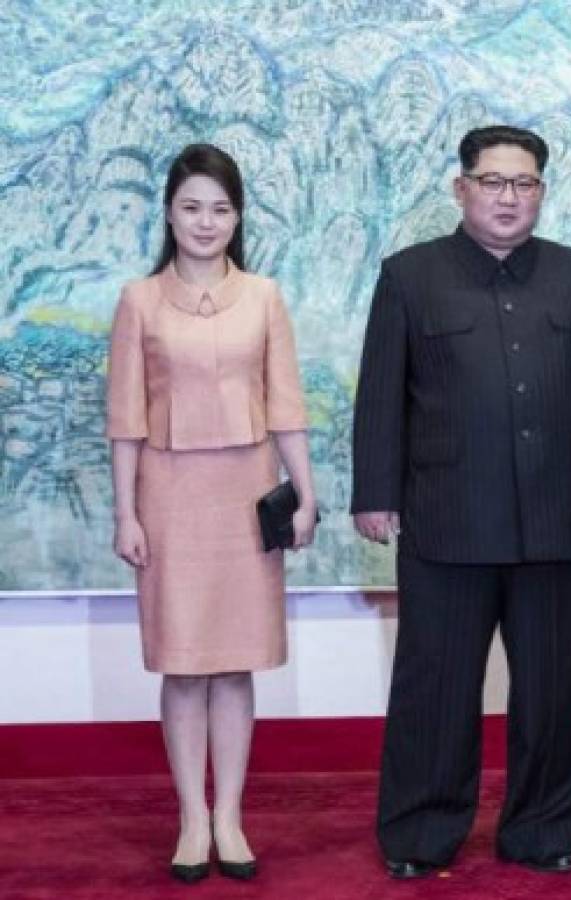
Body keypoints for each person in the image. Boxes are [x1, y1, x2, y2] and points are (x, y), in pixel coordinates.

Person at [351, 124, 571, 879]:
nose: (508, 197)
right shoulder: (410, 276)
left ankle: (544, 830)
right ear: (461, 188)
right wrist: (374, 492)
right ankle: (420, 833)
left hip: (554, 517)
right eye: (493, 181)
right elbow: (381, 394)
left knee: (552, 689)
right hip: (447, 517)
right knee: (434, 687)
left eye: (524, 183)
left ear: (541, 191)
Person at [106, 144, 316, 883]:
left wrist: (307, 491)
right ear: (169, 211)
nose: (206, 221)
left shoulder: (264, 296)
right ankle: (191, 819)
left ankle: (230, 814)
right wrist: (125, 513)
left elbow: (287, 405)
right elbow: (125, 417)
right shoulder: (138, 299)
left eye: (221, 208)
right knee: (185, 663)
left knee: (235, 664)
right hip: (167, 494)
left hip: (246, 493)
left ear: (238, 216)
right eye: (192, 206)